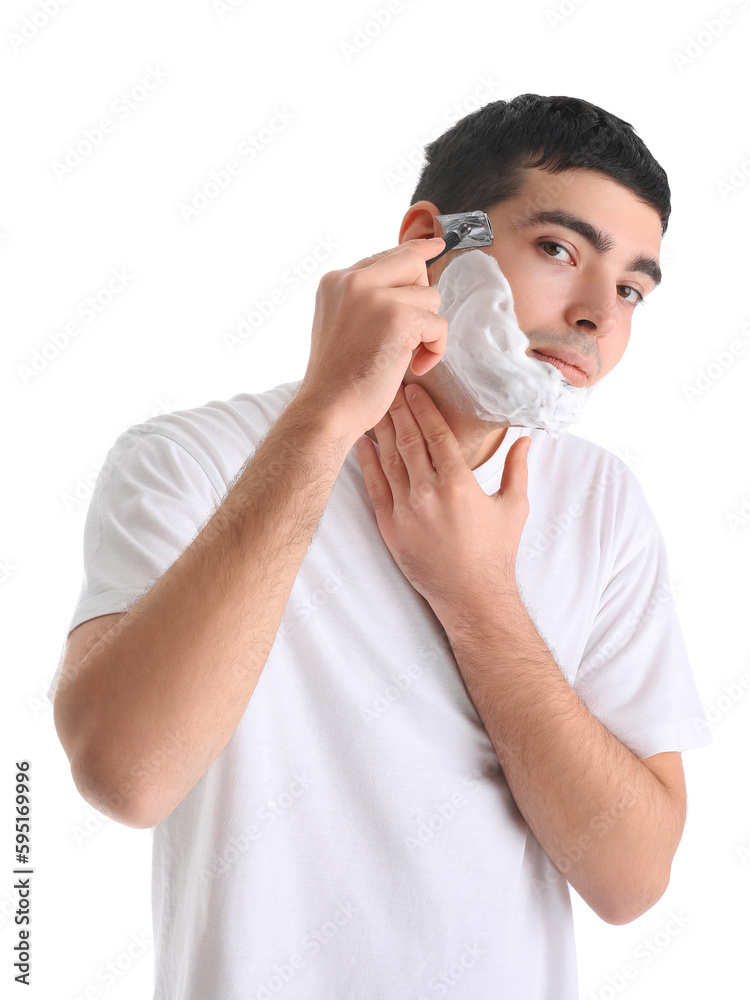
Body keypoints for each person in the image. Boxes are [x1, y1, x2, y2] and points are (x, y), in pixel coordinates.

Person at [48, 93, 712, 1000]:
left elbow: (630, 880)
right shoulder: (190, 462)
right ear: (432, 240)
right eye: (559, 250)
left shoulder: (601, 504)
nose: (600, 314)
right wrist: (323, 419)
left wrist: (478, 596)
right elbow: (127, 776)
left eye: (632, 287)